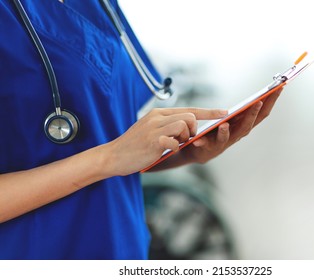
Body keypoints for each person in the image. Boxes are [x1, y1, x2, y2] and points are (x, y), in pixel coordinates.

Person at [0, 0, 281, 259]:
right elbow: (110, 155)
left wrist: (186, 152)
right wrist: (107, 159)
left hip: (124, 250)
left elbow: (110, 144)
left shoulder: (99, 5)